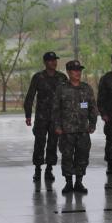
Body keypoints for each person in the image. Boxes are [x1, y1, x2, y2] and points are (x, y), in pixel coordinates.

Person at [52, 60, 98, 194]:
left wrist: (93, 123)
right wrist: (57, 126)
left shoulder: (86, 88)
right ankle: (68, 183)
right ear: (68, 72)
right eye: (75, 70)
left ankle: (79, 182)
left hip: (83, 130)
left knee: (82, 156)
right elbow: (56, 109)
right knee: (67, 157)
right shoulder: (61, 88)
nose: (78, 73)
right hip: (66, 131)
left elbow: (93, 108)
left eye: (79, 70)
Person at [24, 51, 68, 182]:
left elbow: (66, 97)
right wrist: (28, 115)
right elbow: (30, 96)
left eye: (55, 60)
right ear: (45, 62)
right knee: (39, 143)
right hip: (41, 118)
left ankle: (49, 169)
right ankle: (37, 170)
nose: (54, 62)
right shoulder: (38, 77)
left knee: (53, 144)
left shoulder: (62, 77)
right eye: (50, 60)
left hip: (56, 118)